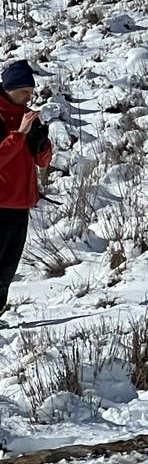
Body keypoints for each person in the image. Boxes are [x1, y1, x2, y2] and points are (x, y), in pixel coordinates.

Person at [0, 61, 53, 318]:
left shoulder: (28, 116)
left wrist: (41, 144)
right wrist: (19, 135)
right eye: (25, 91)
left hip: (21, 203)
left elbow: (43, 162)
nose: (29, 97)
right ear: (10, 87)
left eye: (31, 93)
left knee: (8, 268)